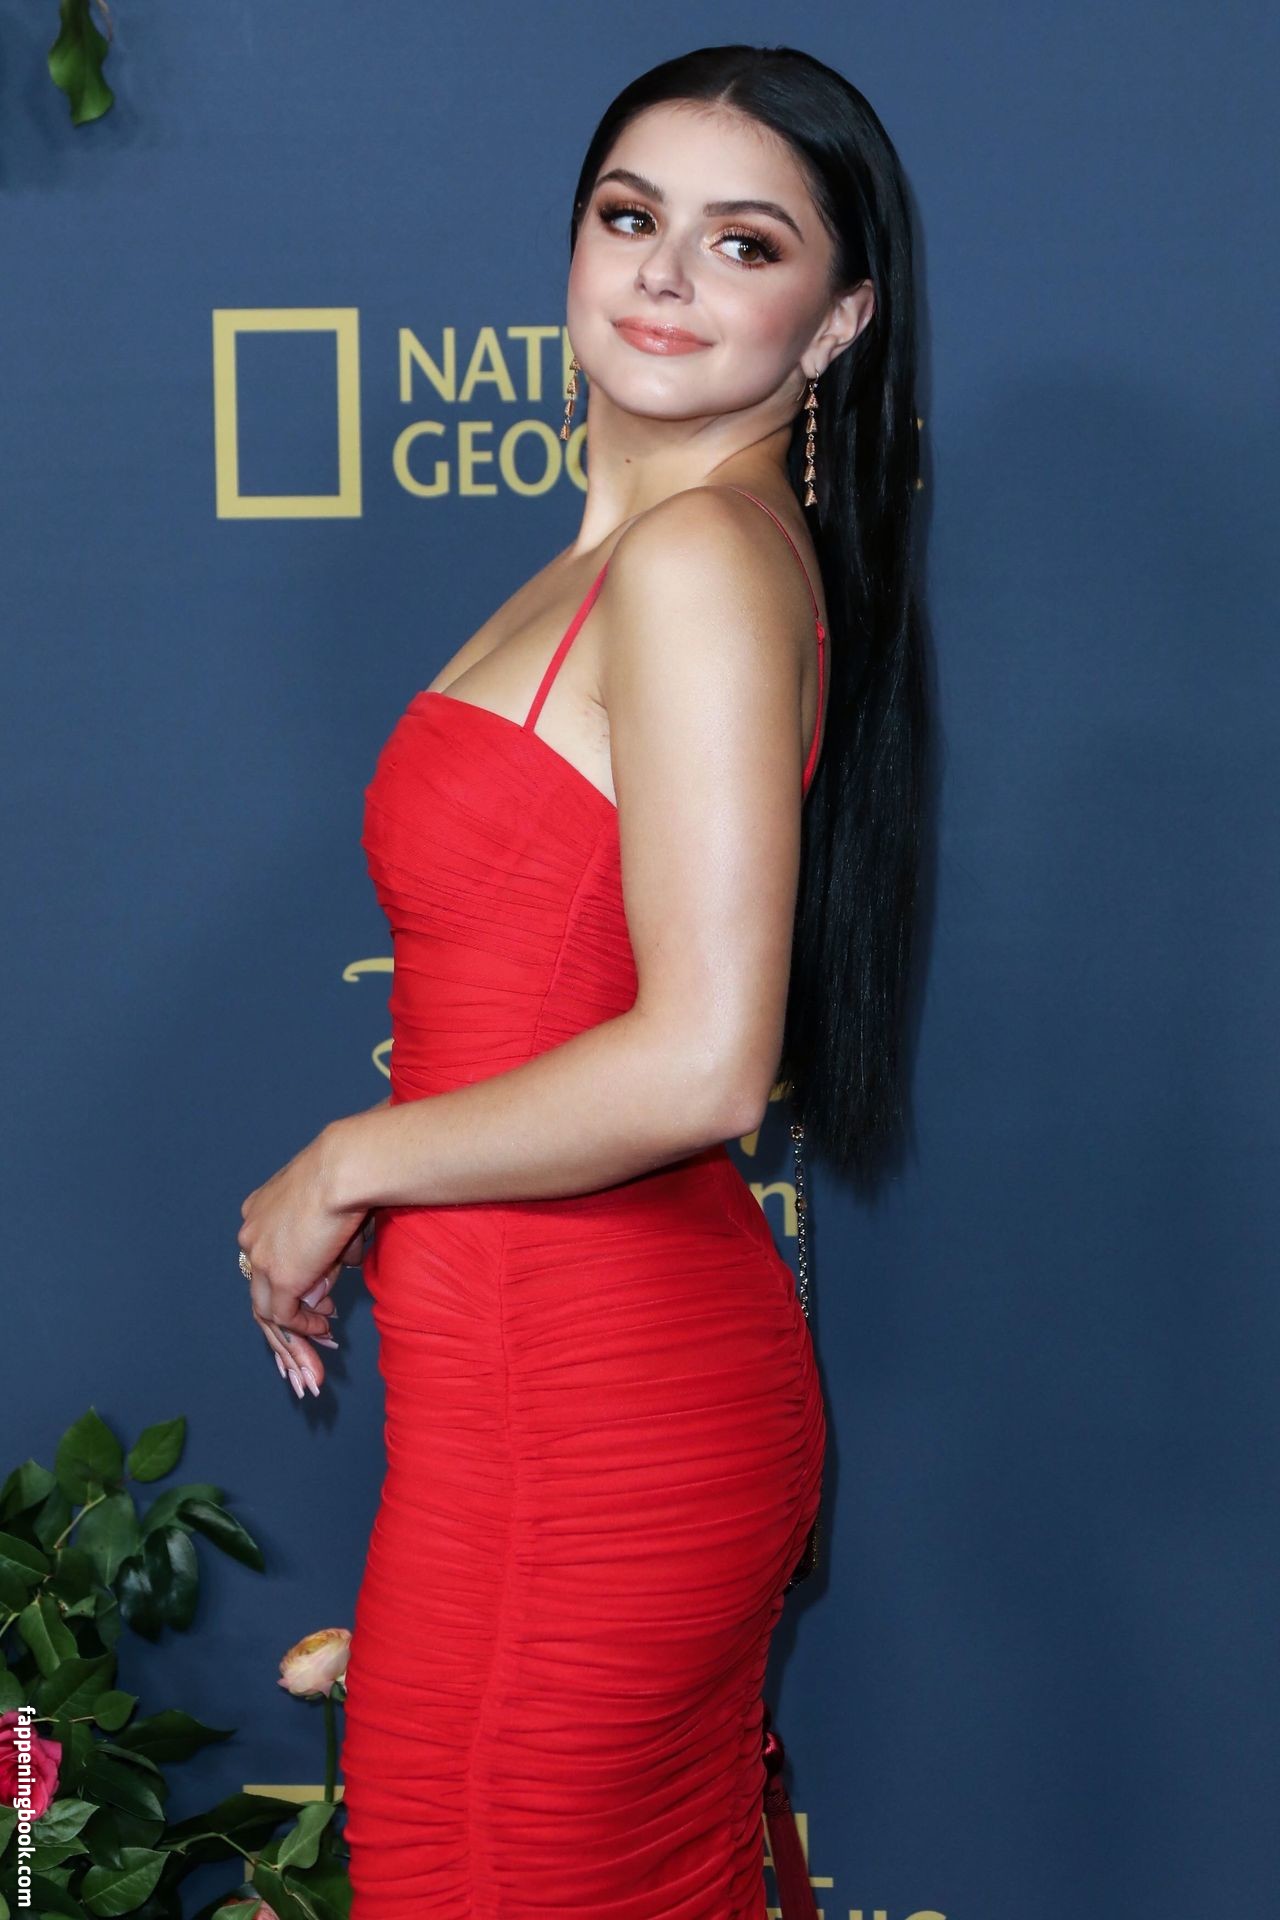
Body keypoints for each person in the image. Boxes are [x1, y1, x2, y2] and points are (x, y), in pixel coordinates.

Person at [238, 42, 928, 1920]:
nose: (668, 275)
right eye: (632, 219)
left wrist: (343, 1163)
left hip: (591, 1409)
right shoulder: (642, 554)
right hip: (526, 1390)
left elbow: (707, 1061)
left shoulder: (700, 559)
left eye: (745, 244)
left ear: (838, 320)